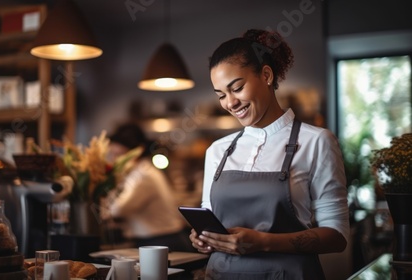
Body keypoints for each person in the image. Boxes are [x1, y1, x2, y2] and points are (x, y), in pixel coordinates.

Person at [188, 29, 350, 279]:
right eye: (221, 95)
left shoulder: (317, 141)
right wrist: (203, 238)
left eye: (237, 88)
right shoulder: (217, 151)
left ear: (266, 75)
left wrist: (264, 242)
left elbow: (337, 236)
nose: (230, 103)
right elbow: (211, 219)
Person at [101, 122, 193, 252]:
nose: (114, 160)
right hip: (157, 240)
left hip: (163, 241)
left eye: (118, 155)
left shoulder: (143, 175)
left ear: (134, 153)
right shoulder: (138, 172)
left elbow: (118, 209)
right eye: (112, 154)